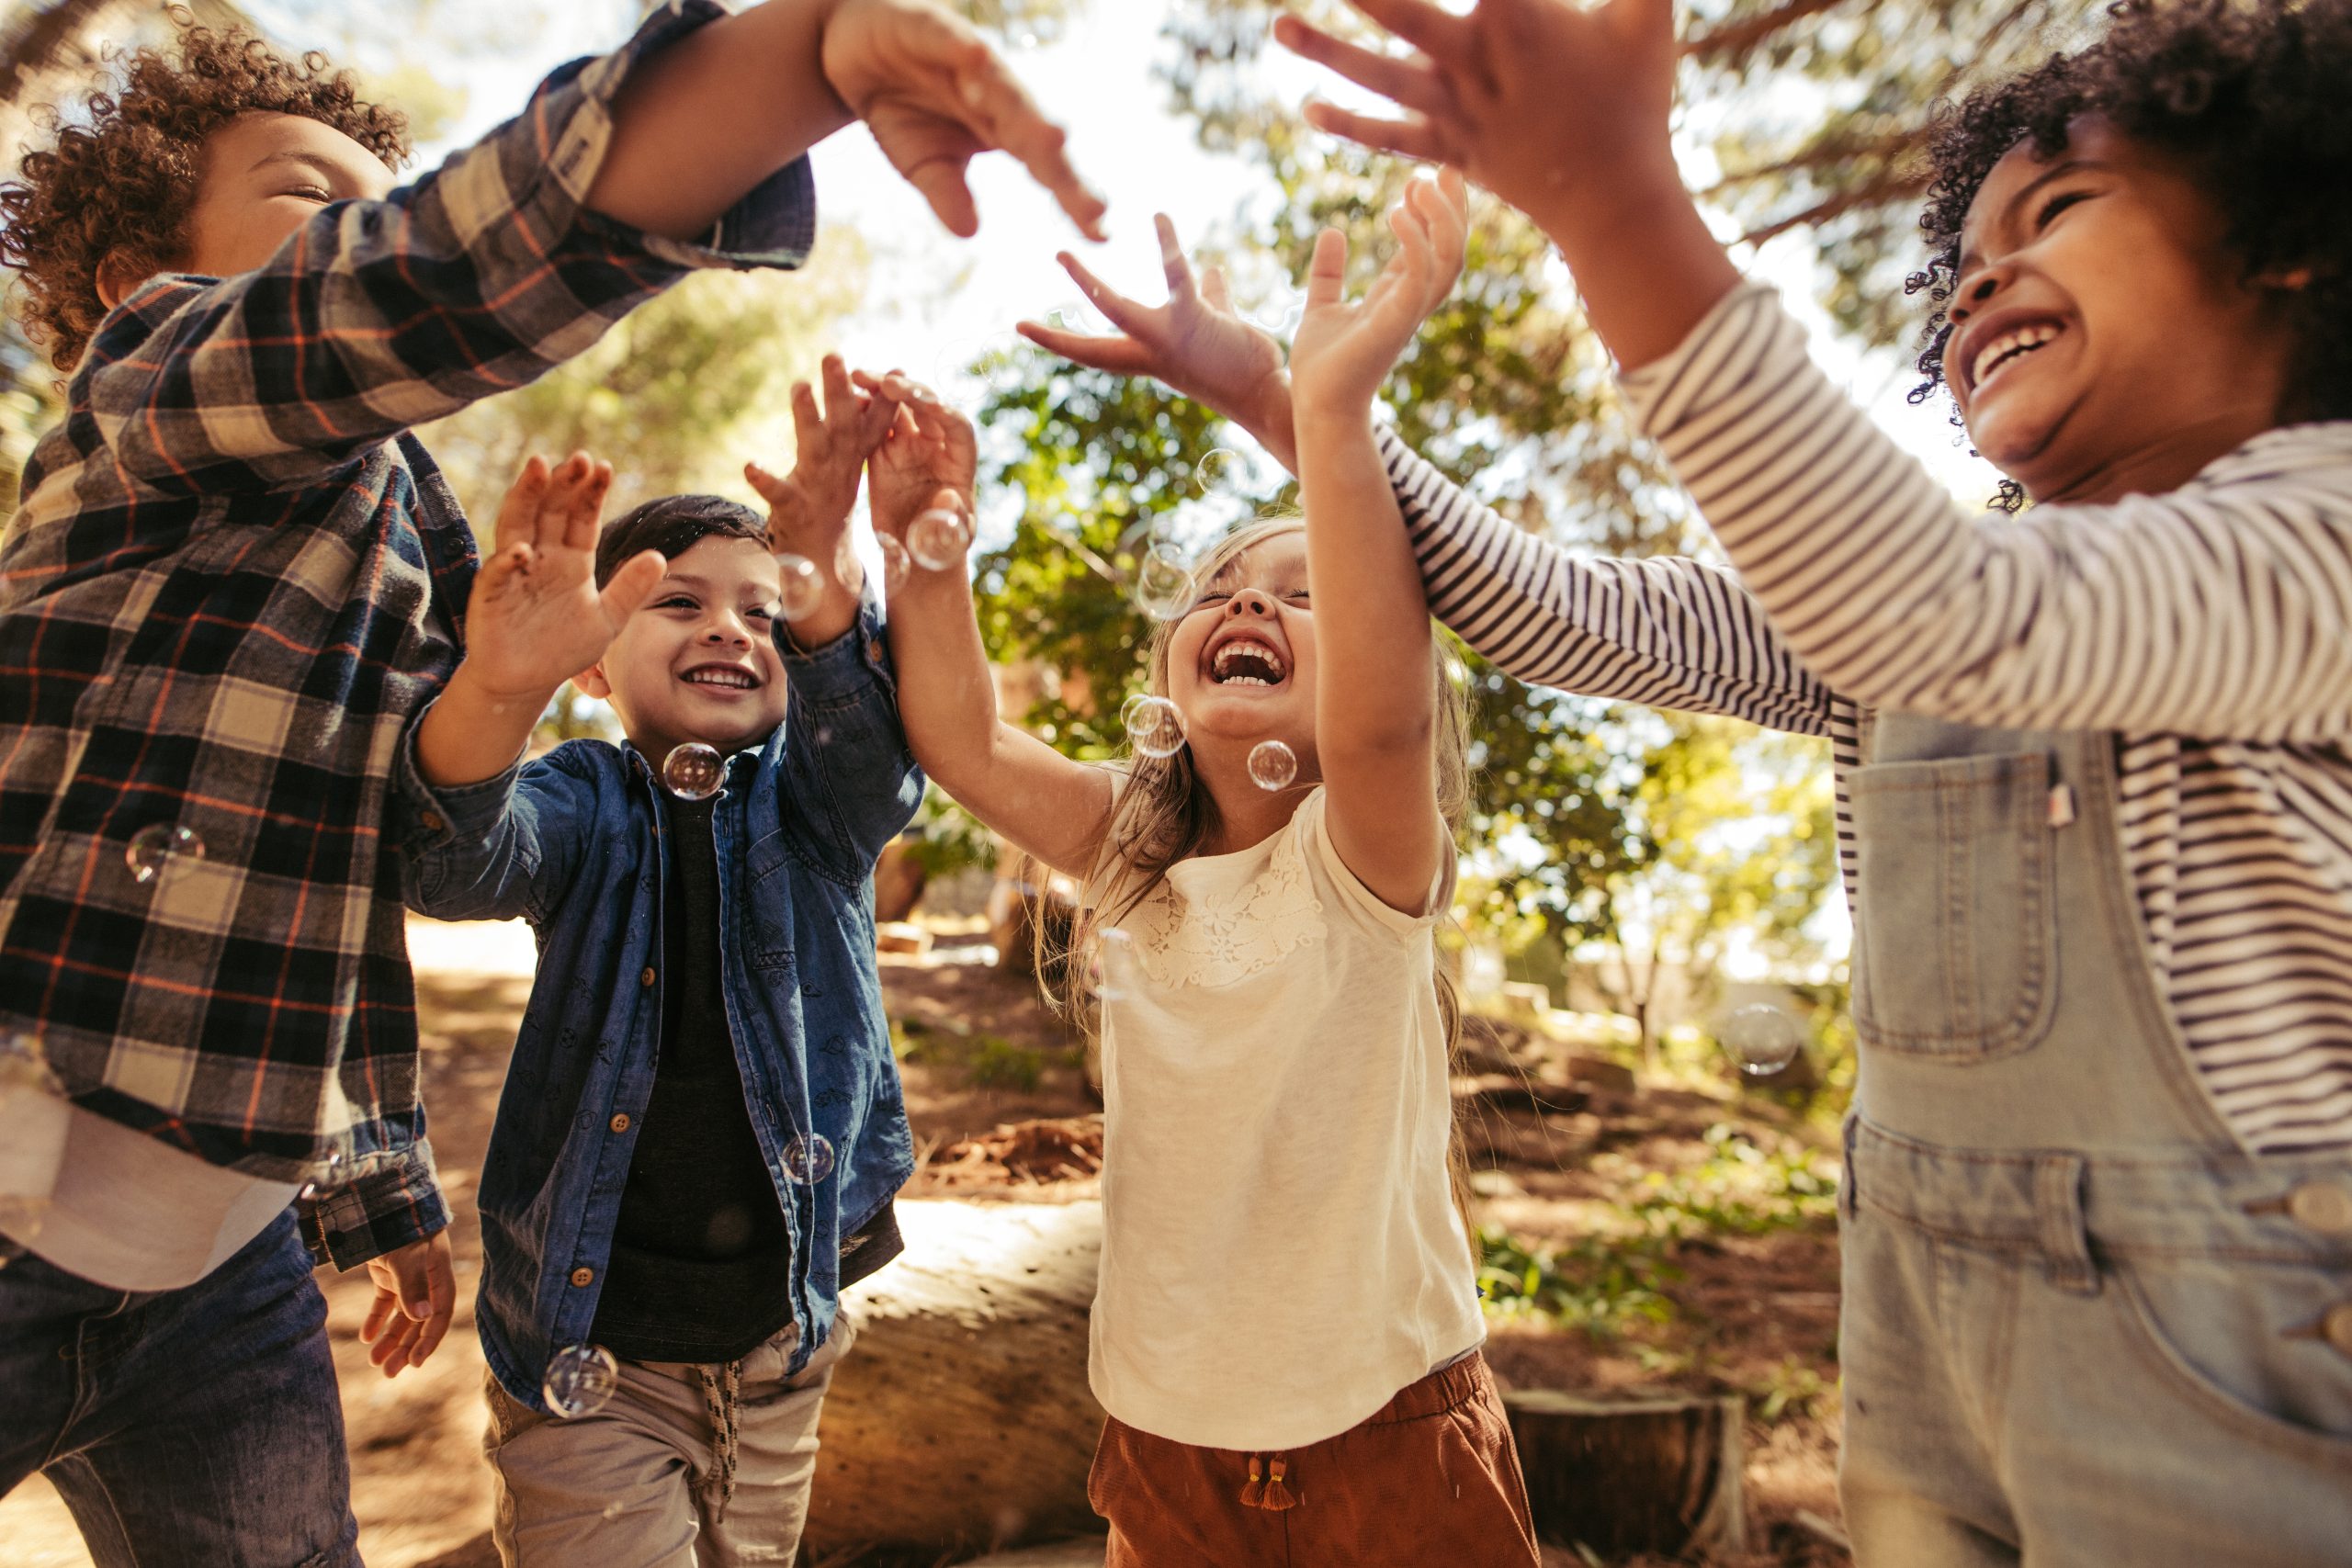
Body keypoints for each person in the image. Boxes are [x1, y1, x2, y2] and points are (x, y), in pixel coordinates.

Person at [1038, 0, 2352, 1562]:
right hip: (1930, 1327)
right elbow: (1560, 608)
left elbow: (1940, 610)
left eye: (2059, 208)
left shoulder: (2318, 532)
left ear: (2288, 244)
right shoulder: (1921, 598)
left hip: (2234, 1345)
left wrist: (1614, 204)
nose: (1985, 273)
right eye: (1967, 254)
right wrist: (1298, 404)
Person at [0, 2, 1099, 1560]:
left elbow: (339, 873)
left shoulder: (421, 534)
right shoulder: (150, 395)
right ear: (136, 279)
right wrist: (788, 71)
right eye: (312, 197)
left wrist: (378, 1192)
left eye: (751, 612)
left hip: (223, 1265)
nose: (357, 226)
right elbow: (405, 294)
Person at [869, 173, 1539, 1567]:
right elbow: (966, 740)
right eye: (1226, 585)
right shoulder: (1135, 853)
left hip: (1389, 1434)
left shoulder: (1363, 849)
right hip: (1164, 1432)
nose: (1251, 600)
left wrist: (1329, 409)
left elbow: (1382, 703)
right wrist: (924, 548)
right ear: (1175, 667)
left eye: (1307, 592)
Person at [395, 358, 919, 1566]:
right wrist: (498, 683)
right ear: (592, 662)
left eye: (764, 610)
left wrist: (831, 577)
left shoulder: (813, 805)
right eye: (679, 604)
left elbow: (877, 767)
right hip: (593, 1351)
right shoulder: (583, 795)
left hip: (784, 1337)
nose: (730, 627)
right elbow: (454, 864)